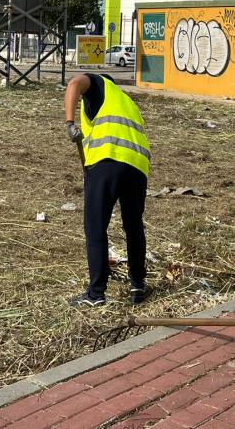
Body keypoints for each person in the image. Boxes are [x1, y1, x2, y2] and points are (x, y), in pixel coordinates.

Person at [64, 72, 151, 307]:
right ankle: (138, 285)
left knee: (95, 226)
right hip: (138, 166)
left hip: (107, 160)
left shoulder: (98, 84)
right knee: (133, 226)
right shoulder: (128, 102)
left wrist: (69, 123)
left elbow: (74, 83)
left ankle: (96, 293)